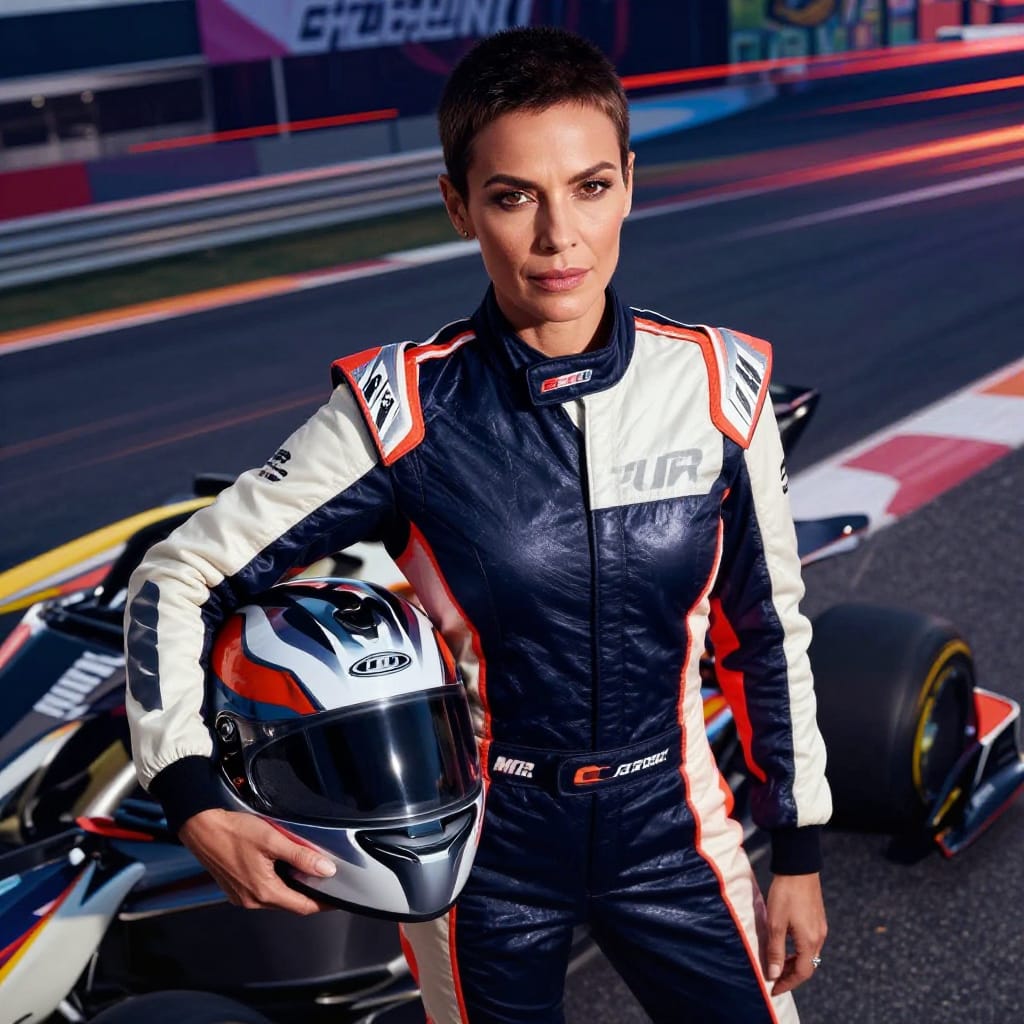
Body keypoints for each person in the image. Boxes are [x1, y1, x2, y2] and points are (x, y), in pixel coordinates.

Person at [124, 25, 830, 1024]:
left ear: (628, 182)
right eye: (512, 196)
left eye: (588, 186)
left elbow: (765, 629)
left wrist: (796, 846)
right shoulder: (398, 410)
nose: (558, 237)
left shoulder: (721, 384)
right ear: (459, 206)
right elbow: (177, 574)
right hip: (479, 852)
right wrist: (192, 792)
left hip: (674, 826)